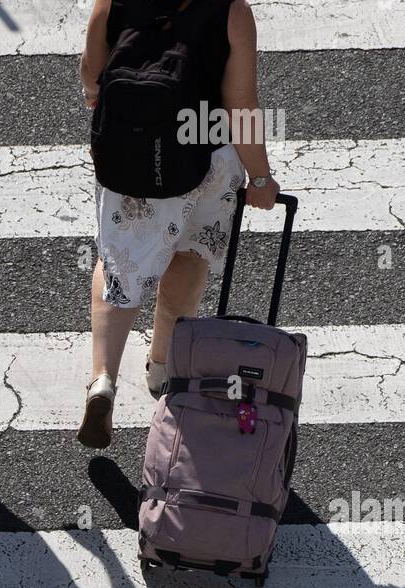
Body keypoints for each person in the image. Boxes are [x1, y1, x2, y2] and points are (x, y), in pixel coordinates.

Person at [77, 0, 281, 449]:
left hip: (129, 156)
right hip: (204, 159)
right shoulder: (230, 10)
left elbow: (92, 72)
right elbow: (240, 103)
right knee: (190, 255)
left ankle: (103, 380)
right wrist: (262, 178)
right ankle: (162, 366)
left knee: (118, 263)